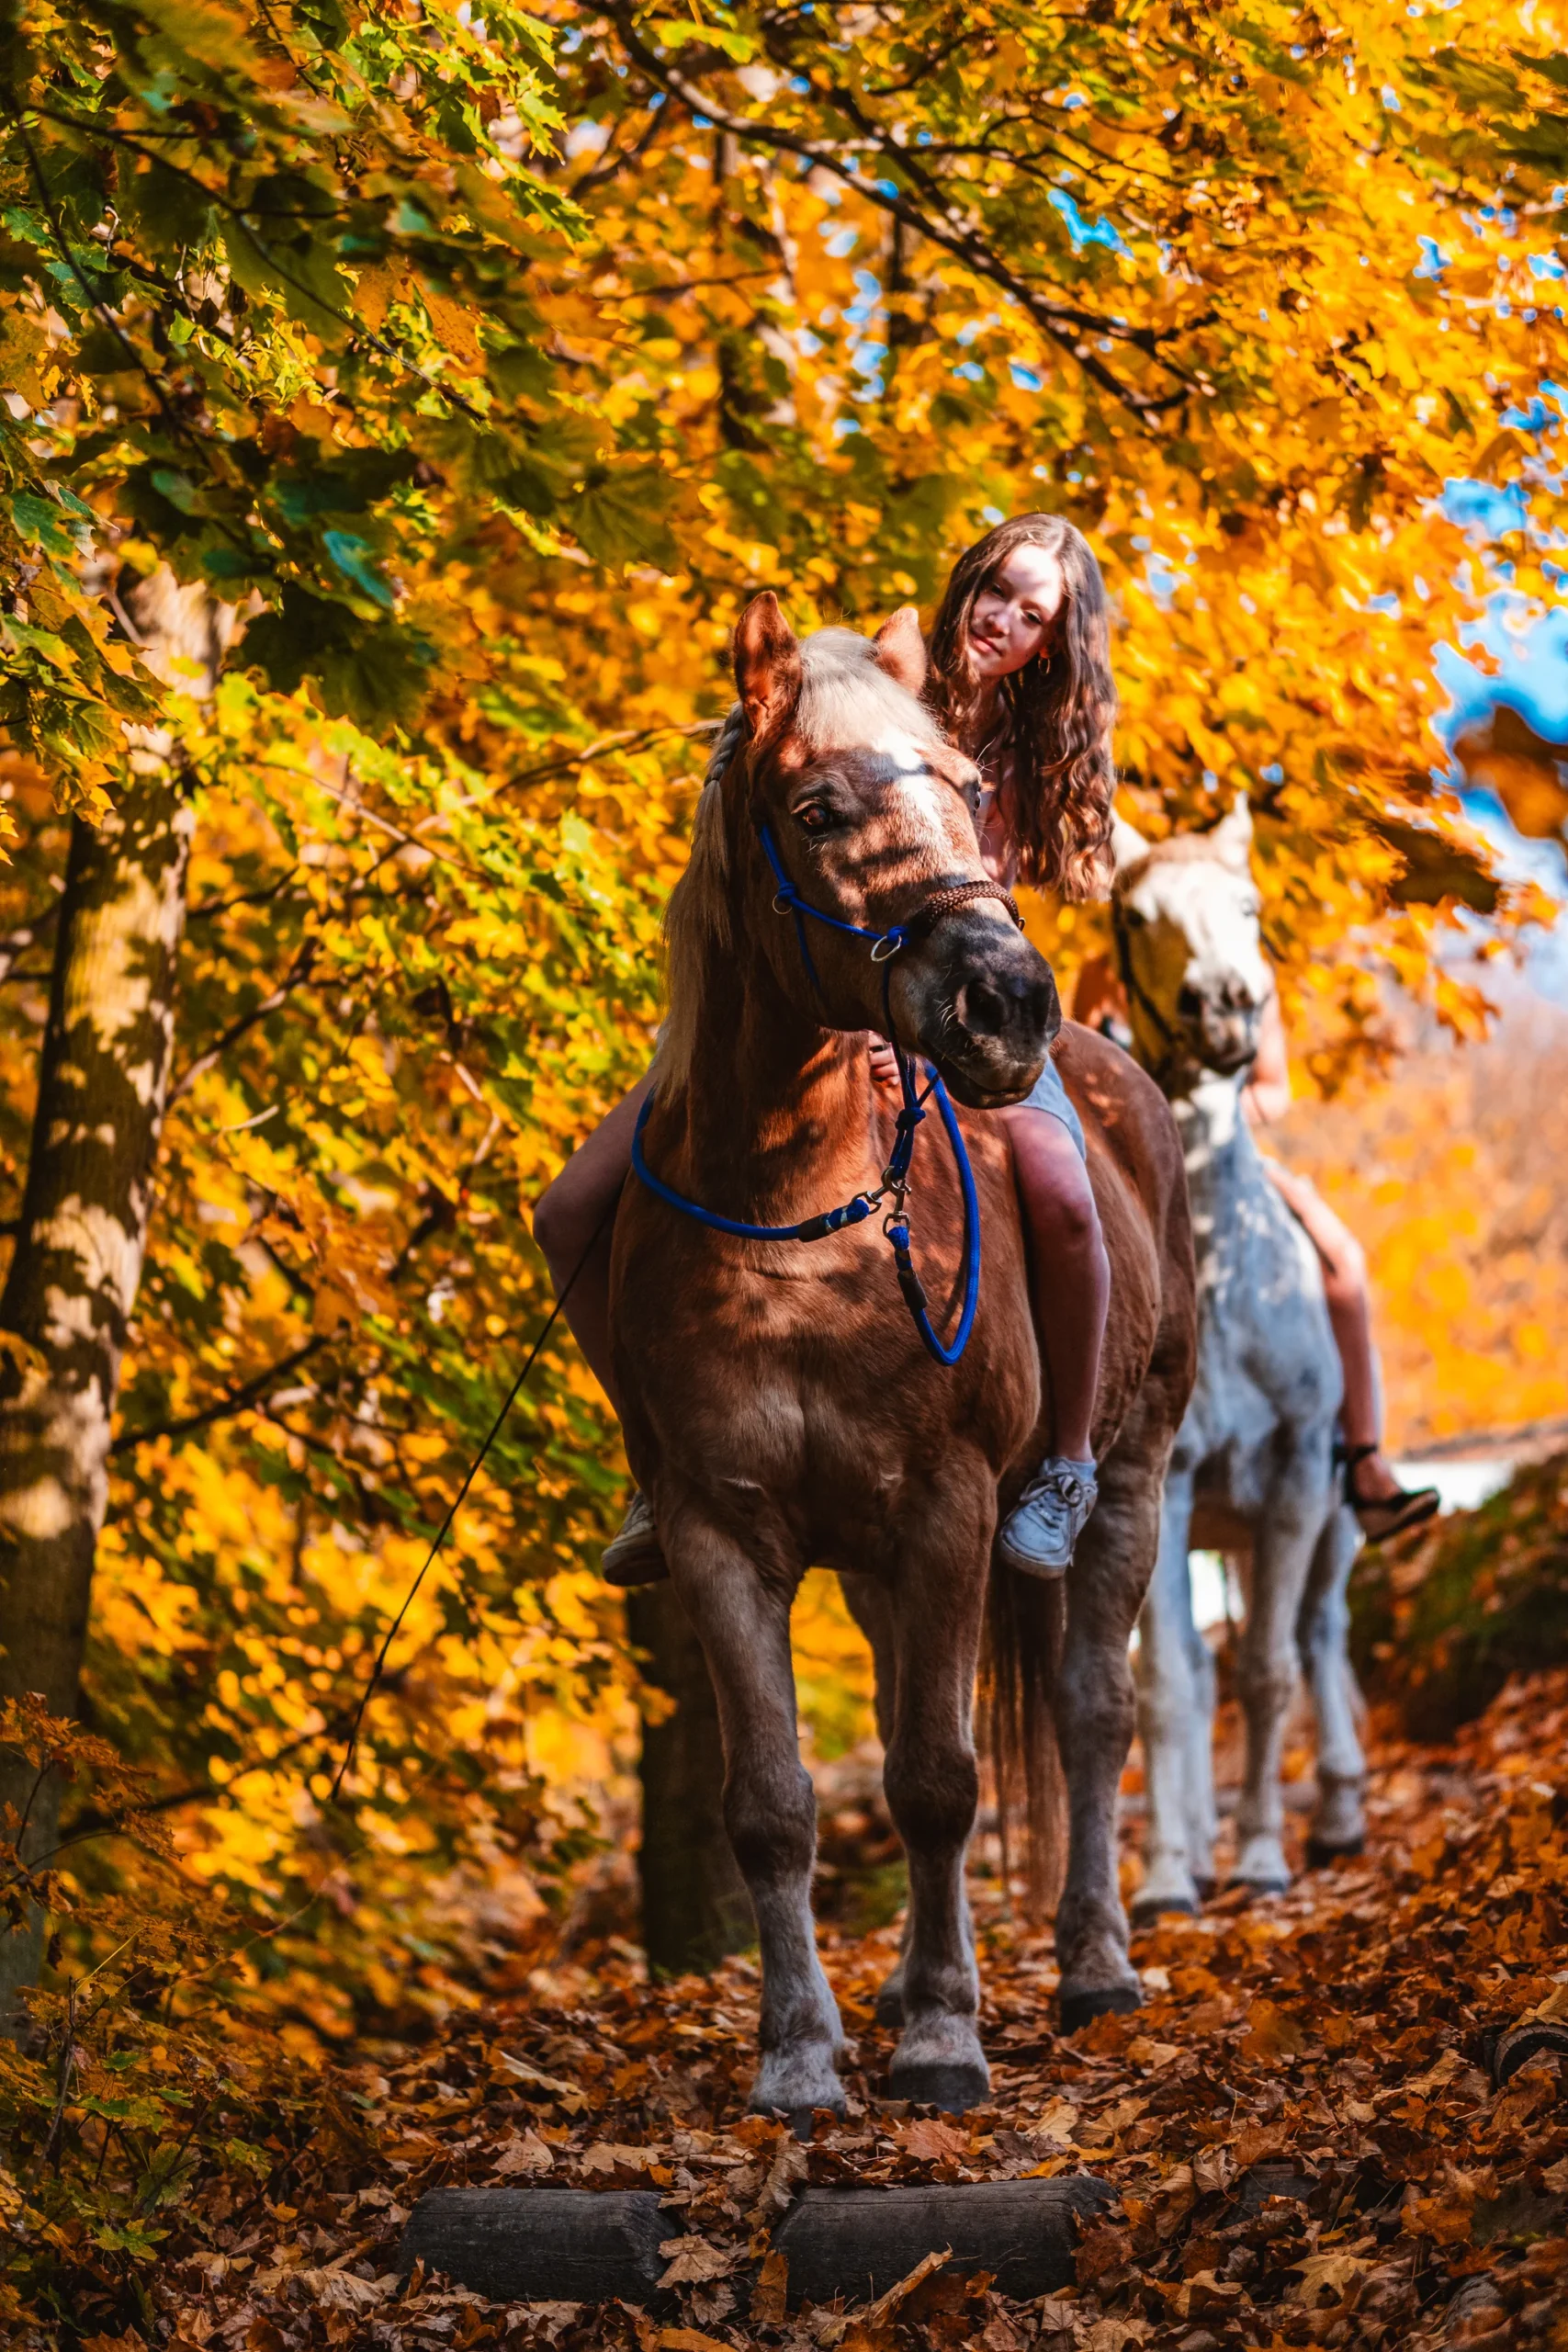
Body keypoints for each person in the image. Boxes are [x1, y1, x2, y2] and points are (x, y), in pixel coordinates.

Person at [533, 514, 1117, 1584]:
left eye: (1035, 615)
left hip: (960, 1010)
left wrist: (930, 1044)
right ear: (968, 580)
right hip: (805, 996)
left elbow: (980, 915)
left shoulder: (1030, 757)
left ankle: (1068, 1462)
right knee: (569, 1210)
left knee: (1067, 1198)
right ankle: (661, 1457)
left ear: (1053, 644)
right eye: (999, 591)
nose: (1005, 620)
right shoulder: (874, 686)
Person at [1072, 961, 1440, 1545]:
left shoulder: (1250, 973)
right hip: (1131, 1164)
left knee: (1342, 1258)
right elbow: (1078, 1077)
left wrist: (1198, 1116)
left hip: (1222, 1157)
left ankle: (1365, 1457)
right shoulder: (1104, 972)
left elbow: (1275, 1091)